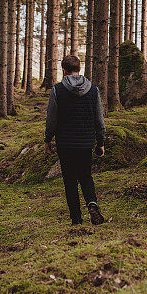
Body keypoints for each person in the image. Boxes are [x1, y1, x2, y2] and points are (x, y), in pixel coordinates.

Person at [44, 55, 106, 225]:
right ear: (79, 69)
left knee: (69, 181)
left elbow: (51, 119)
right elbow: (99, 120)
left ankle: (76, 219)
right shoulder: (93, 90)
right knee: (86, 176)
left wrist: (48, 139)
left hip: (65, 144)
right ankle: (92, 203)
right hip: (86, 142)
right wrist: (100, 142)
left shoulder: (57, 90)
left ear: (63, 69)